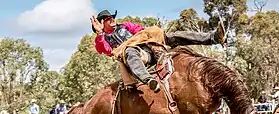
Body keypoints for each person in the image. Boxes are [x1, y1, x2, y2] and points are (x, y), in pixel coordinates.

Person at [90, 9, 227, 93]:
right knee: (130, 51)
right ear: (102, 24)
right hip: (138, 56)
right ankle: (148, 80)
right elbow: (106, 51)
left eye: (112, 17)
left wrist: (151, 39)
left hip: (149, 46)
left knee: (172, 36)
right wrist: (100, 34)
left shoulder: (125, 26)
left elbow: (141, 31)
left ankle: (214, 37)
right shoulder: (103, 39)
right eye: (108, 19)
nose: (112, 19)